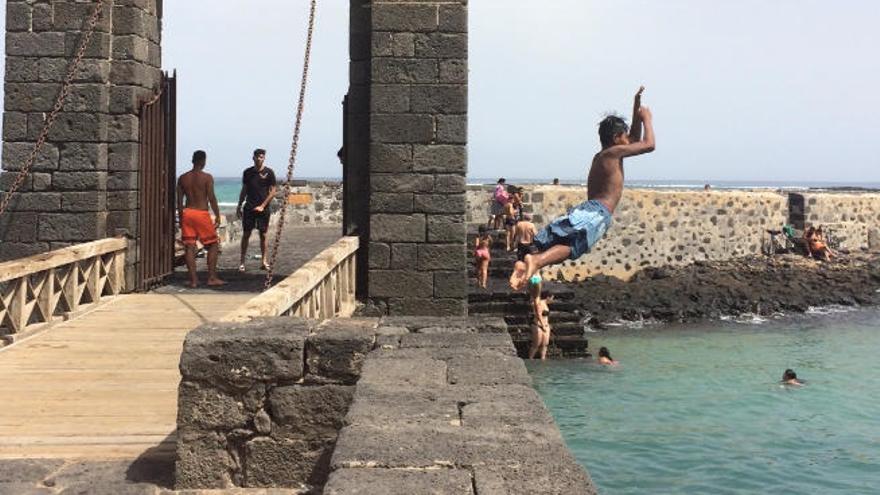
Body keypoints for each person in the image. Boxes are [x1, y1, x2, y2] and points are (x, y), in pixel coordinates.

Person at [510, 86, 655, 290]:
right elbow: (648, 144)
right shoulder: (613, 154)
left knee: (549, 243)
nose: (629, 141)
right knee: (573, 246)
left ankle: (524, 262)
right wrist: (647, 118)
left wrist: (636, 106)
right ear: (616, 139)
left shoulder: (603, 155)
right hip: (598, 212)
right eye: (625, 136)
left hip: (586, 209)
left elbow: (634, 138)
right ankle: (537, 262)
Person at [176, 150, 224, 288]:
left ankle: (194, 280)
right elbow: (211, 198)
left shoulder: (182, 178)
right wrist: (218, 215)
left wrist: (180, 217)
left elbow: (179, 202)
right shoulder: (207, 177)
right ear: (203, 161)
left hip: (187, 213)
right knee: (213, 245)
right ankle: (212, 278)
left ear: (192, 160)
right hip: (201, 214)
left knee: (189, 247)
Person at [236, 149, 277, 272]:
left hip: (263, 208)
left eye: (262, 157)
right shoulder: (247, 172)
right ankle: (242, 262)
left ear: (264, 158)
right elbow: (244, 189)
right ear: (253, 158)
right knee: (246, 234)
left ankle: (264, 261)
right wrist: (239, 205)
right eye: (258, 156)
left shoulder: (269, 172)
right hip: (249, 207)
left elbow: (273, 191)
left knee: (263, 235)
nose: (260, 159)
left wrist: (263, 206)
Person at [528, 281, 554, 360]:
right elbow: (538, 315)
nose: (552, 300)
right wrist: (542, 325)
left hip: (545, 326)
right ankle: (531, 358)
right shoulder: (539, 303)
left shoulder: (546, 305)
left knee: (545, 345)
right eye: (552, 298)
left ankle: (543, 358)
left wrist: (546, 325)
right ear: (548, 297)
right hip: (538, 325)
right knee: (536, 345)